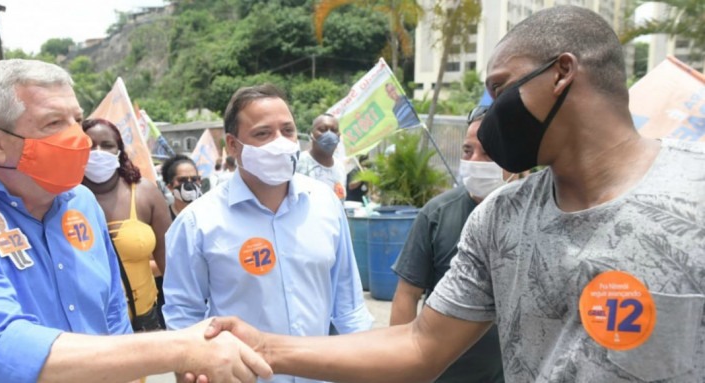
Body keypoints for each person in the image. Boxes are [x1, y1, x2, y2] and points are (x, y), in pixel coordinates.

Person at [196, 6, 705, 383]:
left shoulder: (694, 196)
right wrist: (265, 346)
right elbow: (421, 345)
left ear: (562, 73)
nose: (490, 118)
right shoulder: (500, 219)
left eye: (502, 89)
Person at [0, 59, 271, 383]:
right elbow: (2, 350)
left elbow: (111, 314)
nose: (79, 139)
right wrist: (179, 347)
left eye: (77, 119)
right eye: (53, 123)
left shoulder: (82, 203)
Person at [164, 84, 373, 383]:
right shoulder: (198, 222)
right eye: (263, 133)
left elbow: (349, 306)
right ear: (233, 146)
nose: (280, 142)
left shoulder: (325, 203)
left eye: (287, 131)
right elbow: (184, 316)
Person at [389, 105, 506, 382]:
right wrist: (400, 369)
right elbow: (407, 294)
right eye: (468, 151)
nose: (475, 160)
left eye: (487, 152)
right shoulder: (437, 214)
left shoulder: (535, 212)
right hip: (446, 374)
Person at [81, 118, 170, 335]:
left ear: (119, 150)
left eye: (107, 145)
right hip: (88, 329)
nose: (98, 152)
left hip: (144, 324)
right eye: (89, 146)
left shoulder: (145, 193)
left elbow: (171, 264)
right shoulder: (61, 199)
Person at [295, 114, 347, 200]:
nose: (329, 134)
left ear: (339, 136)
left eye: (334, 130)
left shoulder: (340, 167)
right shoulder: (298, 163)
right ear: (311, 134)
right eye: (323, 130)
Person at [162, 154, 203, 219]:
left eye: (194, 179)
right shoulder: (163, 218)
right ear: (170, 187)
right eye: (182, 180)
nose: (189, 184)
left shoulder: (208, 214)